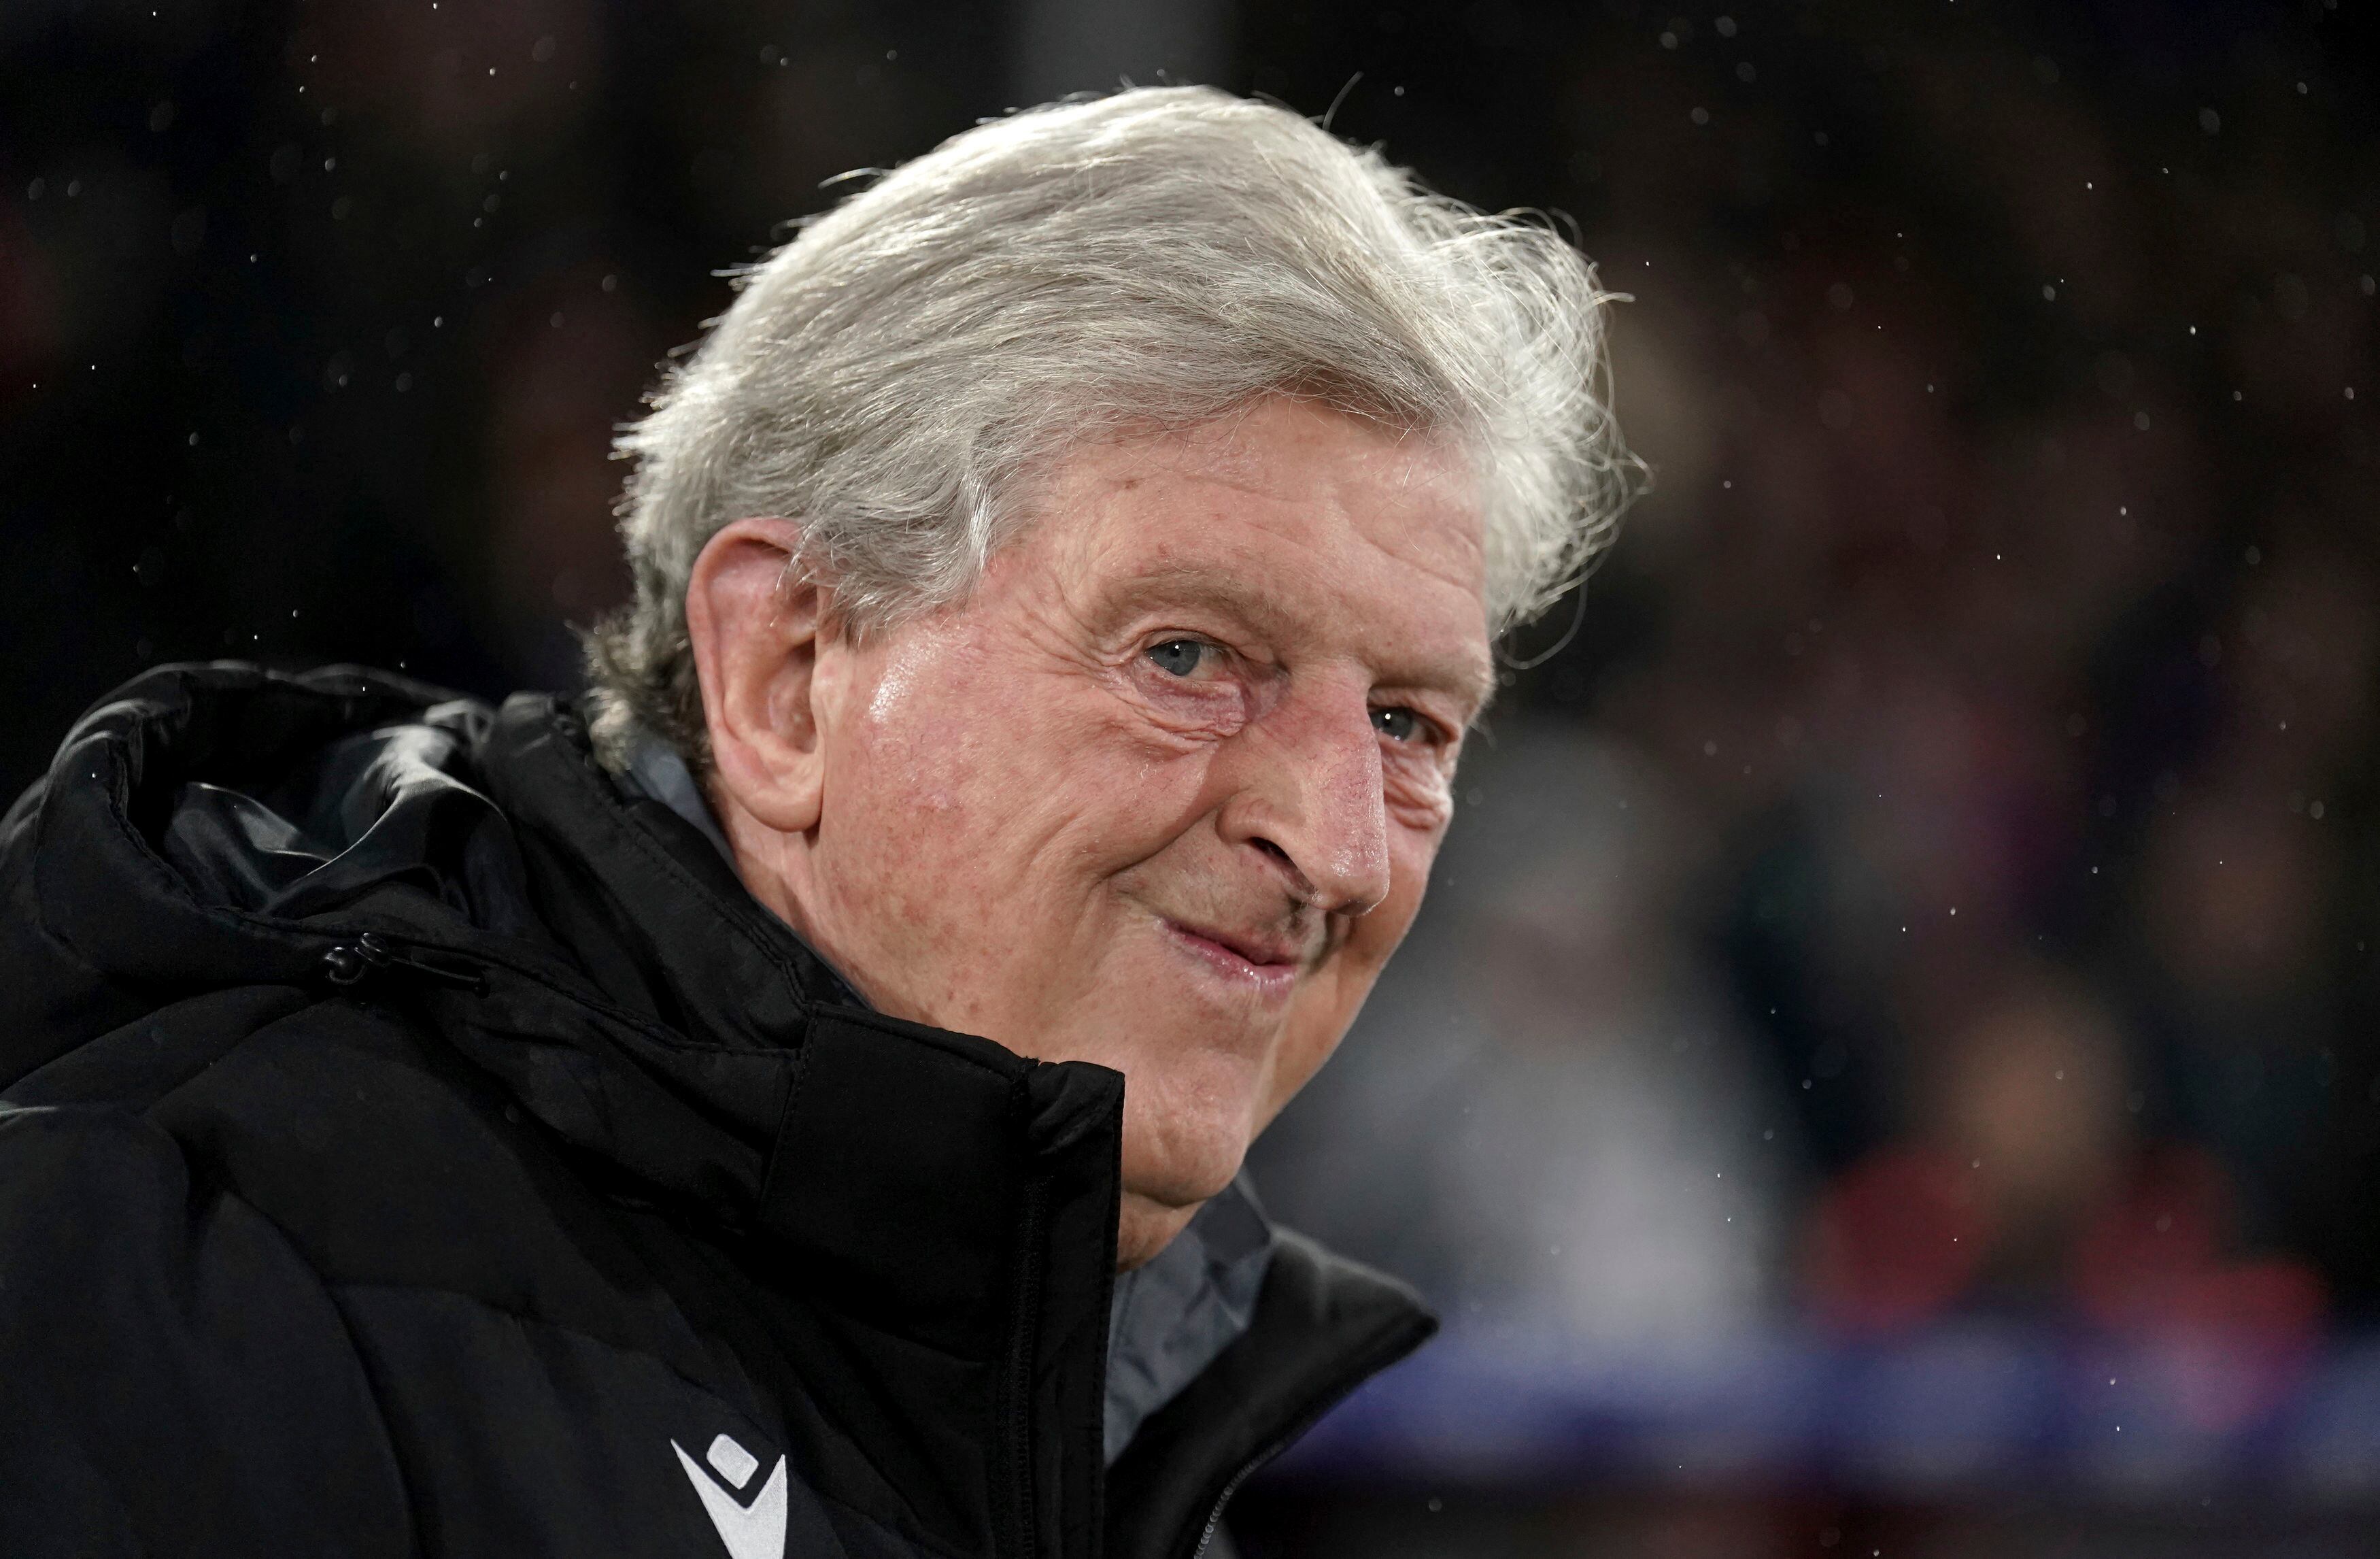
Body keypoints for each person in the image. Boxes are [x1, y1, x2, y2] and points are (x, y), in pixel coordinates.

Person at [0, 87, 1630, 1558]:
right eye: (1187, 658)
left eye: (1409, 725)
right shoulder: (173, 1281)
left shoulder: (1128, 1428)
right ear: (786, 673)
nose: (1339, 848)